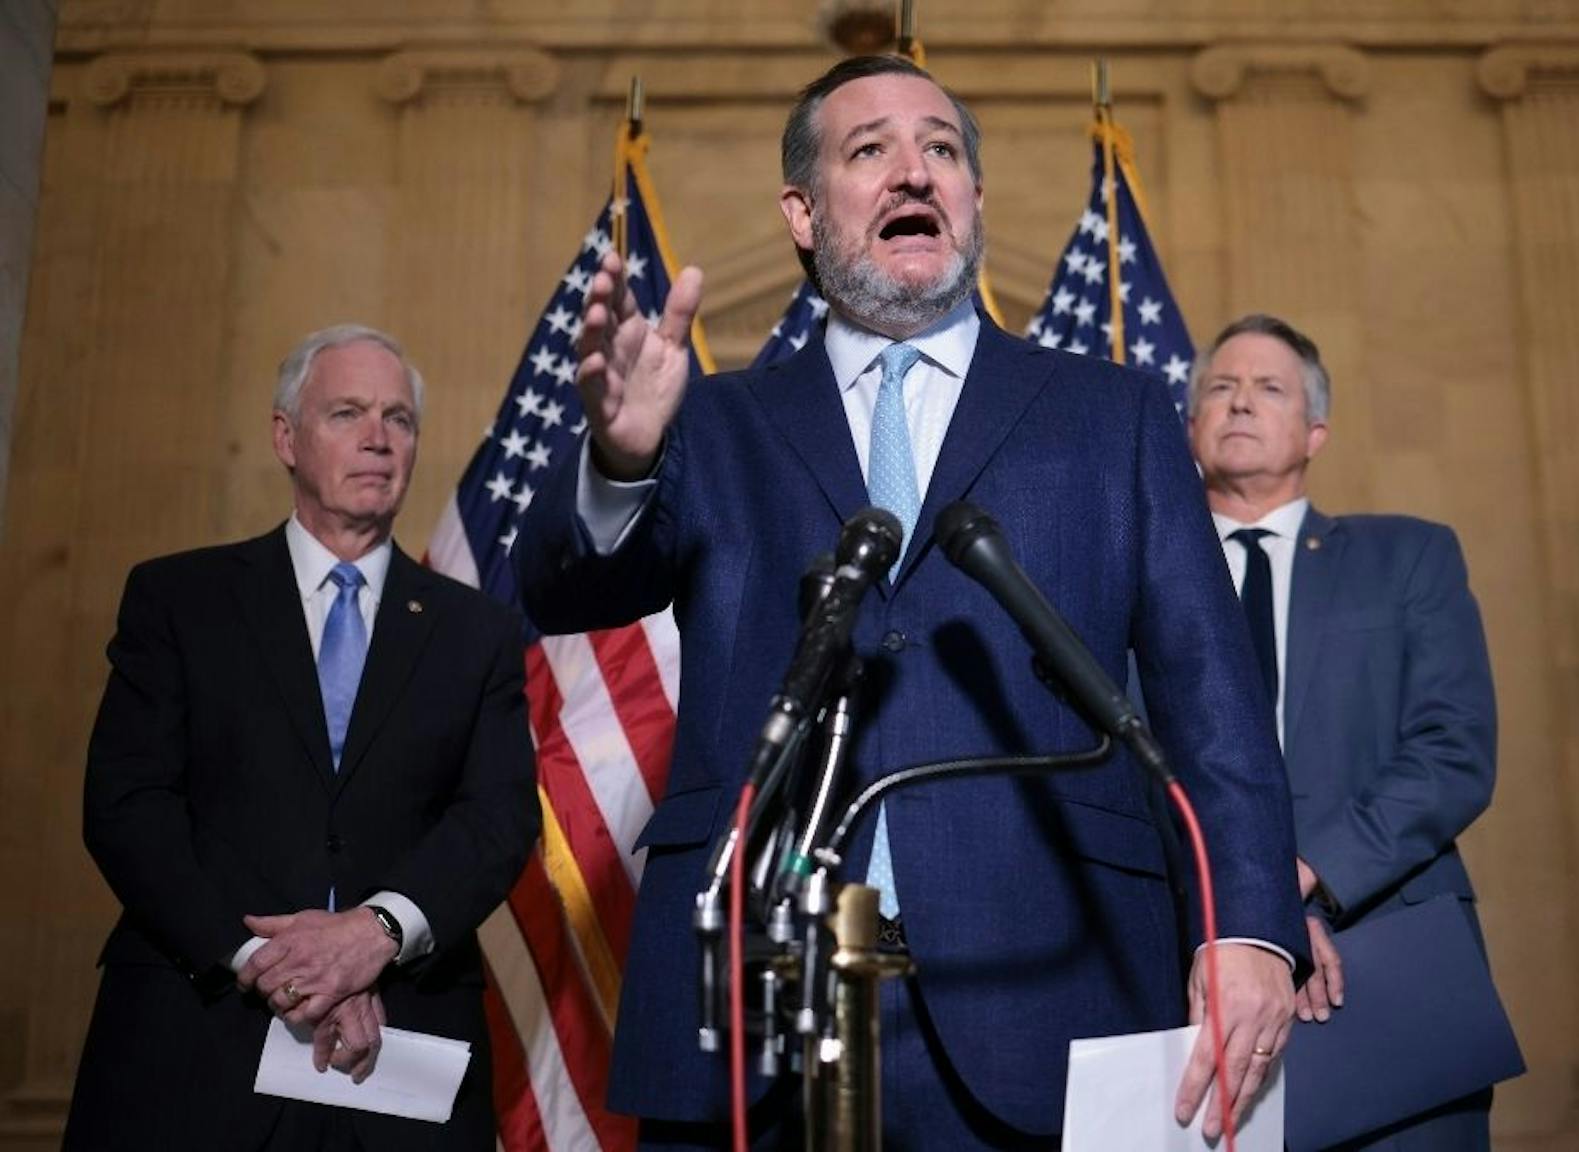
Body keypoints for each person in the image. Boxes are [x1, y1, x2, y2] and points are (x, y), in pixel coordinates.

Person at [513, 54, 1306, 1150]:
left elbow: (1208, 702)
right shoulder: (717, 423)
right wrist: (616, 460)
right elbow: (562, 589)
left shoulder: (1110, 414)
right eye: (869, 150)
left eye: (940, 149)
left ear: (973, 200)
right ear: (802, 210)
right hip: (756, 1007)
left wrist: (1247, 930)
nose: (913, 173)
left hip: (1051, 988)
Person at [65, 325, 540, 1151]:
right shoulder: (180, 600)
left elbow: (497, 820)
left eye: (399, 419)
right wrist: (264, 959)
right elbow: (128, 805)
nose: (378, 438)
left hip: (401, 1050)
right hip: (196, 1044)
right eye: (347, 413)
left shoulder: (479, 633)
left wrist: (375, 933)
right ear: (286, 437)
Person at [1186, 313, 1509, 1150]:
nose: (1241, 404)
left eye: (1269, 389)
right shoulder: (1147, 577)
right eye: (1220, 388)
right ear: (1191, 423)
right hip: (1193, 971)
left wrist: (1305, 875)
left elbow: (1453, 750)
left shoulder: (1409, 556)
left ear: (1315, 430)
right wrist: (1235, 905)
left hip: (1387, 963)